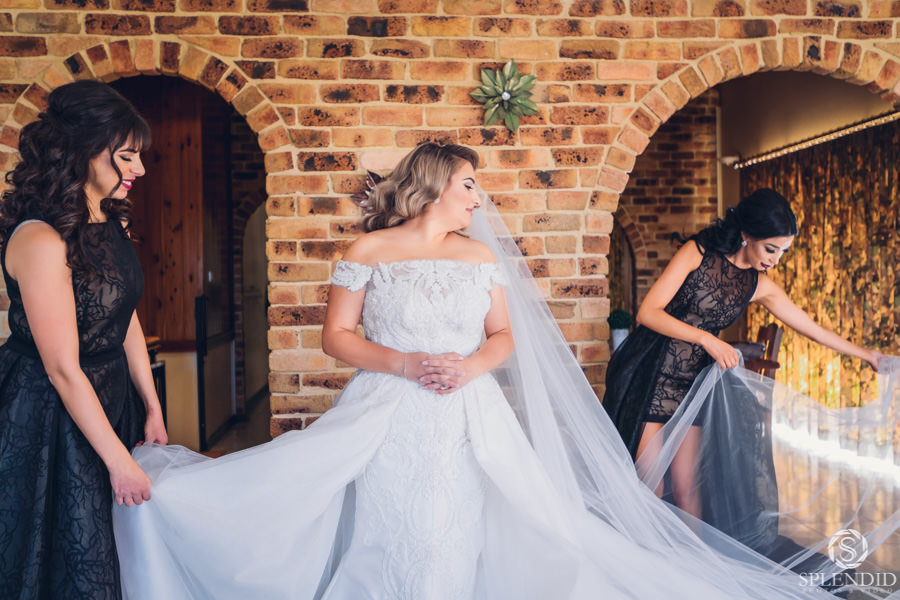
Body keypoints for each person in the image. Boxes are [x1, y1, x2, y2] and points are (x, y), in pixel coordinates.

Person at [113, 143, 894, 599]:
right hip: (386, 405)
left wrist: (467, 368)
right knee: (388, 515)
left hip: (467, 406)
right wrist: (405, 362)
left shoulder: (478, 256)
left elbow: (501, 338)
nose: (477, 198)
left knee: (469, 514)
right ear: (434, 186)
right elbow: (335, 339)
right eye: (468, 185)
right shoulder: (367, 251)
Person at [602, 188, 893, 576]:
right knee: (650, 486)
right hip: (651, 375)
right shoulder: (697, 253)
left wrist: (867, 355)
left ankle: (697, 574)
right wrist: (707, 339)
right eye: (771, 249)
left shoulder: (759, 285)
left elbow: (811, 328)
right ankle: (645, 571)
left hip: (693, 386)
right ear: (746, 235)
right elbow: (648, 313)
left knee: (687, 489)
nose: (775, 260)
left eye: (782, 252)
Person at [0, 80, 167, 599]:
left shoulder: (108, 219)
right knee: (70, 557)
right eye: (126, 156)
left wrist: (151, 404)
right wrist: (119, 461)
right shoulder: (40, 238)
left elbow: (125, 317)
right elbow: (62, 368)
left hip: (109, 397)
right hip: (50, 412)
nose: (139, 169)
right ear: (81, 151)